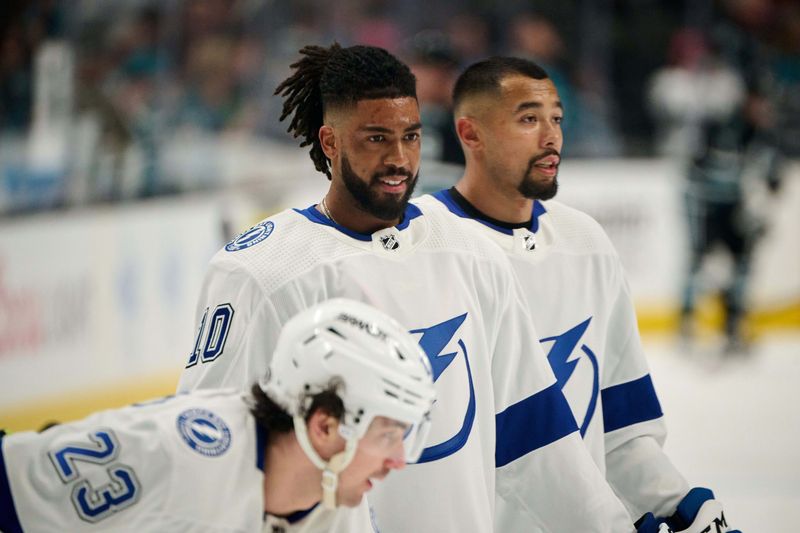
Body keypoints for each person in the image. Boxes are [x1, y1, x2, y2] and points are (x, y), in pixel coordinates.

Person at [178, 43, 634, 532]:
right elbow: (208, 455)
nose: (399, 158)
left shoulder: (472, 253)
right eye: (376, 138)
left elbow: (535, 435)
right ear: (330, 143)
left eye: (410, 136)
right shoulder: (262, 272)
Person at [416, 56, 739, 532]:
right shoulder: (423, 246)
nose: (551, 137)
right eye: (528, 119)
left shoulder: (585, 241)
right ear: (470, 134)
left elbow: (620, 429)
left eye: (557, 119)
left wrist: (680, 502)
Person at [0, 298, 436, 533]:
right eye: (388, 435)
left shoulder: (340, 510)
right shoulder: (175, 454)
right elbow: (13, 485)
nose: (399, 459)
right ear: (324, 426)